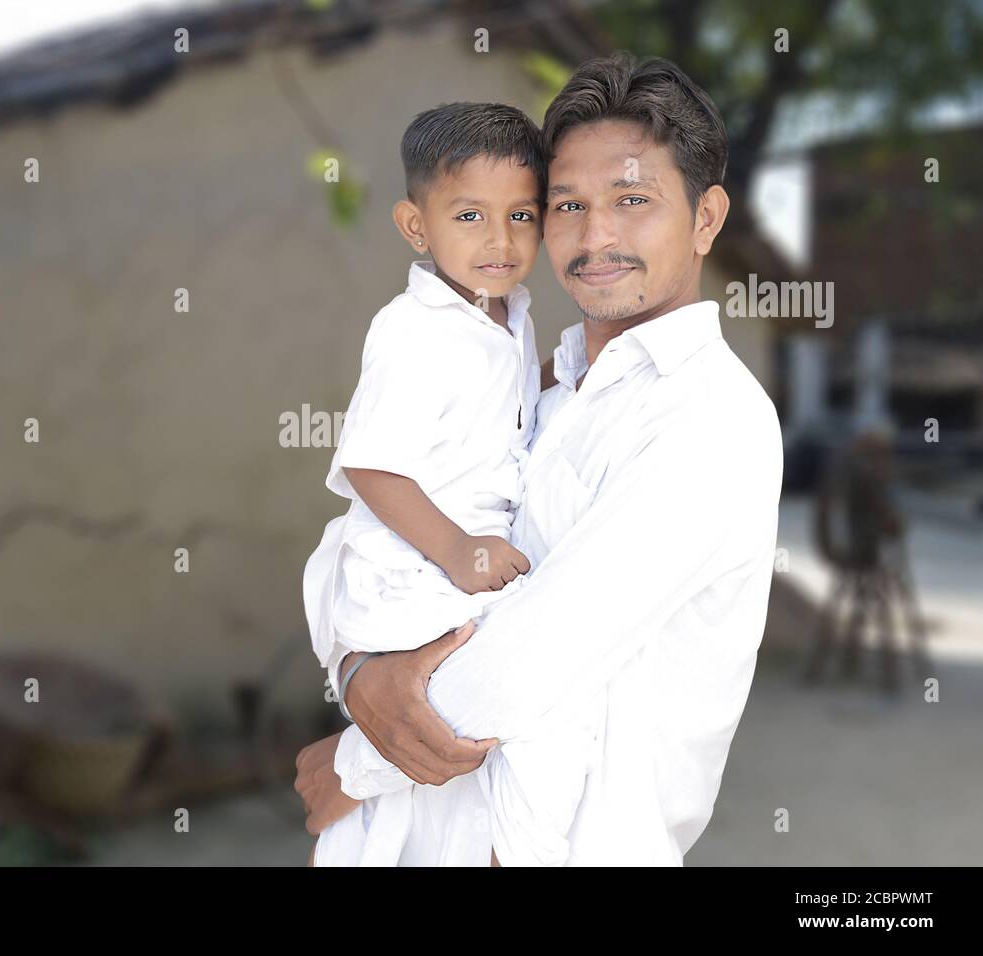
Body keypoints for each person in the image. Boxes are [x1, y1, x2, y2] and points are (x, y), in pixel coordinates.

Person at [296, 52, 784, 866]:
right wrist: (354, 671)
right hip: (417, 836)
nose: (597, 237)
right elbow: (360, 543)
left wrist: (352, 764)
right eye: (568, 205)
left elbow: (532, 657)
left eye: (634, 200)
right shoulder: (536, 390)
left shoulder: (712, 418)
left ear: (706, 218)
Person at [301, 102, 607, 866]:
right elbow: (372, 463)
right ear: (416, 226)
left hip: (461, 559)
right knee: (507, 712)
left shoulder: (508, 312)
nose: (500, 242)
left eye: (521, 216)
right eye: (469, 215)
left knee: (454, 777)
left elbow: (497, 404)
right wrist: (458, 550)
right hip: (415, 560)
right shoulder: (415, 330)